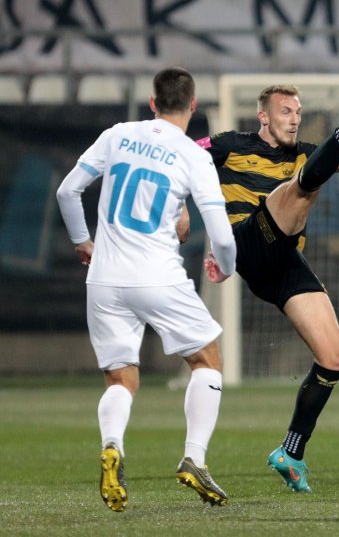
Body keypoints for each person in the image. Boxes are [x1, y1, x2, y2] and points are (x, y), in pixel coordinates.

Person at [199, 70, 339, 493]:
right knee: (300, 187)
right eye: (285, 111)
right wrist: (199, 231)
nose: (294, 119)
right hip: (245, 243)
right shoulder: (230, 145)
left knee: (335, 357)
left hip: (284, 259)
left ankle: (291, 452)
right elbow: (182, 162)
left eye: (298, 112)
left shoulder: (307, 154)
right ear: (263, 117)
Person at [55, 67, 237, 511]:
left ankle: (113, 444)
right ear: (193, 107)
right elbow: (224, 237)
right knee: (207, 360)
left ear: (152, 103)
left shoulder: (117, 134)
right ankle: (194, 457)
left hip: (104, 278)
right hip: (158, 276)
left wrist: (83, 241)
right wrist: (225, 267)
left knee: (121, 378)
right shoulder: (194, 155)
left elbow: (67, 191)